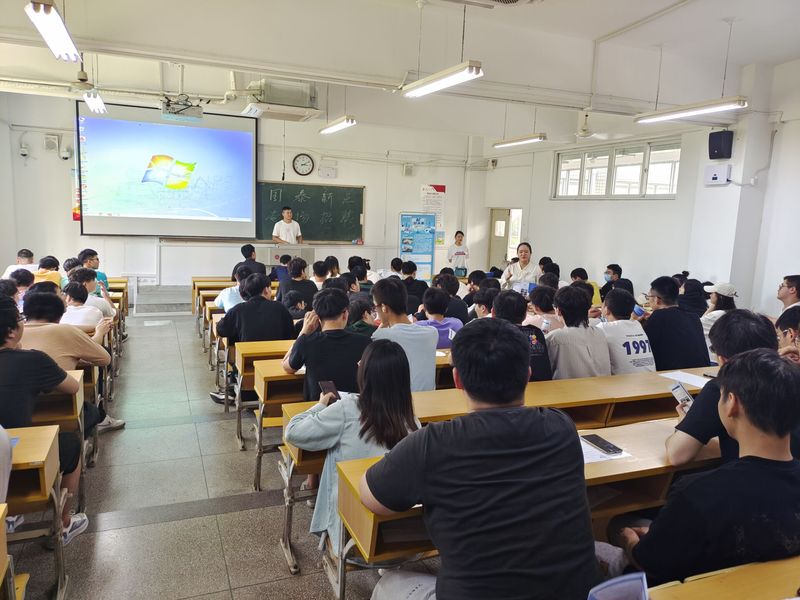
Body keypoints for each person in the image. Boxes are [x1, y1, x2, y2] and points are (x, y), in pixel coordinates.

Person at [361, 318, 600, 600]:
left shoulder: (432, 443)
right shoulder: (561, 426)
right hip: (576, 594)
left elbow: (372, 497)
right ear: (527, 375)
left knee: (389, 582)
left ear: (457, 380)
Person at [615, 348, 800, 586]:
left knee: (614, 528)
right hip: (777, 588)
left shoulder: (697, 494)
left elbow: (649, 563)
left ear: (731, 403)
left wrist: (629, 540)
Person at [285, 339, 419, 552]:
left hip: (349, 533)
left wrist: (319, 405)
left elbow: (293, 432)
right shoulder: (412, 421)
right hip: (397, 535)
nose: (358, 363)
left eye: (362, 362)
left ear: (366, 373)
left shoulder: (347, 408)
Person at [0, 296, 88, 545]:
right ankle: (64, 523)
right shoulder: (31, 360)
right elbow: (72, 387)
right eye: (20, 319)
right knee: (71, 444)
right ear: (11, 331)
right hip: (16, 454)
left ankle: (10, 516)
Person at [665, 309, 799, 465]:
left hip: (748, 477)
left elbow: (678, 455)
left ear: (723, 361)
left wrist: (684, 424)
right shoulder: (791, 378)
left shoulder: (723, 388)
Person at [21, 292, 124, 434]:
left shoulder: (14, 335)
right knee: (92, 411)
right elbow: (105, 359)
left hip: (19, 410)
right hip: (62, 404)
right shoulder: (65, 330)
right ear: (60, 315)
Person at [212, 274, 295, 403]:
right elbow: (290, 334)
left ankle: (235, 392)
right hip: (277, 365)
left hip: (248, 367)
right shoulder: (280, 308)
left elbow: (221, 330)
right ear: (266, 290)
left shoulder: (238, 310)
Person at [283, 288, 371, 401]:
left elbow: (287, 367)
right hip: (355, 406)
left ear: (317, 317)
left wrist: (303, 332)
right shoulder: (365, 342)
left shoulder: (306, 342)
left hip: (319, 406)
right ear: (345, 314)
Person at [371, 278, 438, 392]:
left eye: (375, 307)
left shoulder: (381, 336)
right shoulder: (432, 333)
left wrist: (383, 323)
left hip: (400, 401)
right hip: (428, 398)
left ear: (384, 307)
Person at [640, 276, 709, 371]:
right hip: (701, 373)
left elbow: (643, 347)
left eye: (649, 297)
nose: (648, 300)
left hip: (672, 375)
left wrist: (637, 324)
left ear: (657, 299)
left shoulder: (658, 316)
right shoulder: (694, 317)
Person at [546, 286, 611, 379]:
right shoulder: (599, 333)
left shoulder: (554, 338)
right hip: (604, 386)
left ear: (558, 310)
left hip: (568, 388)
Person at [492, 290, 552, 381]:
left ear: (493, 313)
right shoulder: (535, 333)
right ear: (525, 314)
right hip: (543, 386)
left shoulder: (490, 336)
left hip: (506, 388)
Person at [595, 289, 655, 375]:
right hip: (651, 378)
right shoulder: (637, 325)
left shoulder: (604, 328)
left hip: (624, 382)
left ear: (606, 310)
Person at [701, 282, 737, 360]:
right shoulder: (734, 313)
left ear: (720, 297)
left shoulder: (715, 315)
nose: (710, 295)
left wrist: (710, 308)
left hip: (712, 357)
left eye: (713, 293)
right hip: (727, 356)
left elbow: (697, 326)